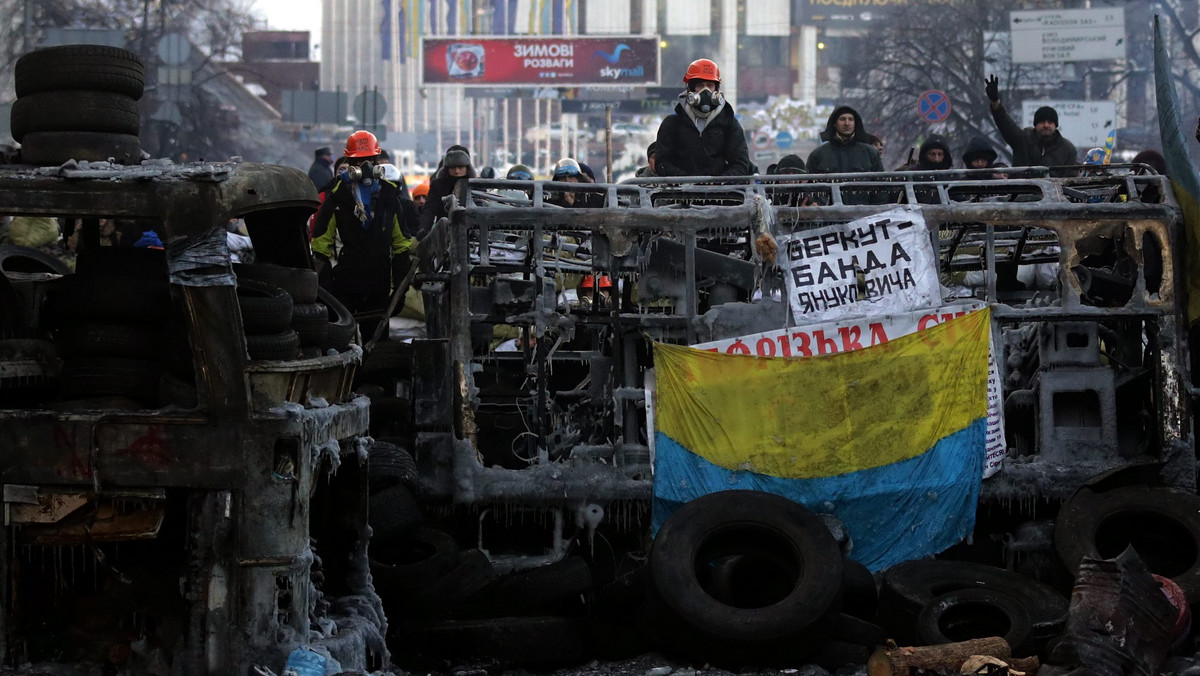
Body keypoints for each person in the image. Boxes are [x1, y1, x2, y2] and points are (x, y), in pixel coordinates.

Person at [311, 130, 418, 317]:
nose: (366, 166)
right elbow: (321, 242)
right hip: (346, 282)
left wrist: (399, 288)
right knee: (343, 340)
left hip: (379, 282)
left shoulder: (388, 195)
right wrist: (325, 282)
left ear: (377, 161)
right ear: (350, 164)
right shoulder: (338, 197)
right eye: (360, 161)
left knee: (376, 339)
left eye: (370, 159)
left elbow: (401, 244)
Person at [654, 59, 753, 177]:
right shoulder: (672, 124)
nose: (705, 91)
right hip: (680, 193)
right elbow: (662, 162)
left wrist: (720, 184)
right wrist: (686, 181)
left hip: (722, 193)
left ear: (716, 89)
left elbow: (741, 164)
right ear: (690, 89)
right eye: (700, 85)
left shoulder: (729, 123)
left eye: (710, 85)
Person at [985, 75, 1077, 174]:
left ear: (1056, 126)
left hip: (1053, 190)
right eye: (1042, 122)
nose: (1046, 125)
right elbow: (1006, 125)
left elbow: (1070, 179)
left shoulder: (1068, 149)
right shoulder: (1022, 139)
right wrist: (995, 103)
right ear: (1035, 125)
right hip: (1021, 189)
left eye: (1050, 122)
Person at [806, 106, 884, 174]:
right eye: (842, 119)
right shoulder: (818, 155)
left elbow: (882, 185)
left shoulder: (870, 153)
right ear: (834, 123)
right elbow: (809, 186)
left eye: (851, 119)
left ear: (855, 123)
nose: (847, 123)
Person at [419, 145, 475, 237]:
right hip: (444, 233)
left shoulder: (476, 185)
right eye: (453, 167)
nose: (457, 171)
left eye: (460, 167)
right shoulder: (438, 185)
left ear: (467, 167)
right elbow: (429, 209)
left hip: (471, 235)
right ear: (447, 168)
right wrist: (424, 228)